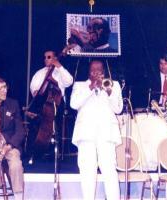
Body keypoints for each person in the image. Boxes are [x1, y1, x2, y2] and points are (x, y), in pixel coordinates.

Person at [70, 60, 123, 200]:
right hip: (86, 134)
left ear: (104, 71)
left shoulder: (114, 85)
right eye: (93, 70)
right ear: (89, 71)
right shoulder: (80, 85)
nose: (96, 73)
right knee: (87, 172)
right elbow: (74, 104)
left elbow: (118, 109)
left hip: (106, 133)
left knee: (110, 171)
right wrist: (90, 88)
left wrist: (109, 92)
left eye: (99, 70)